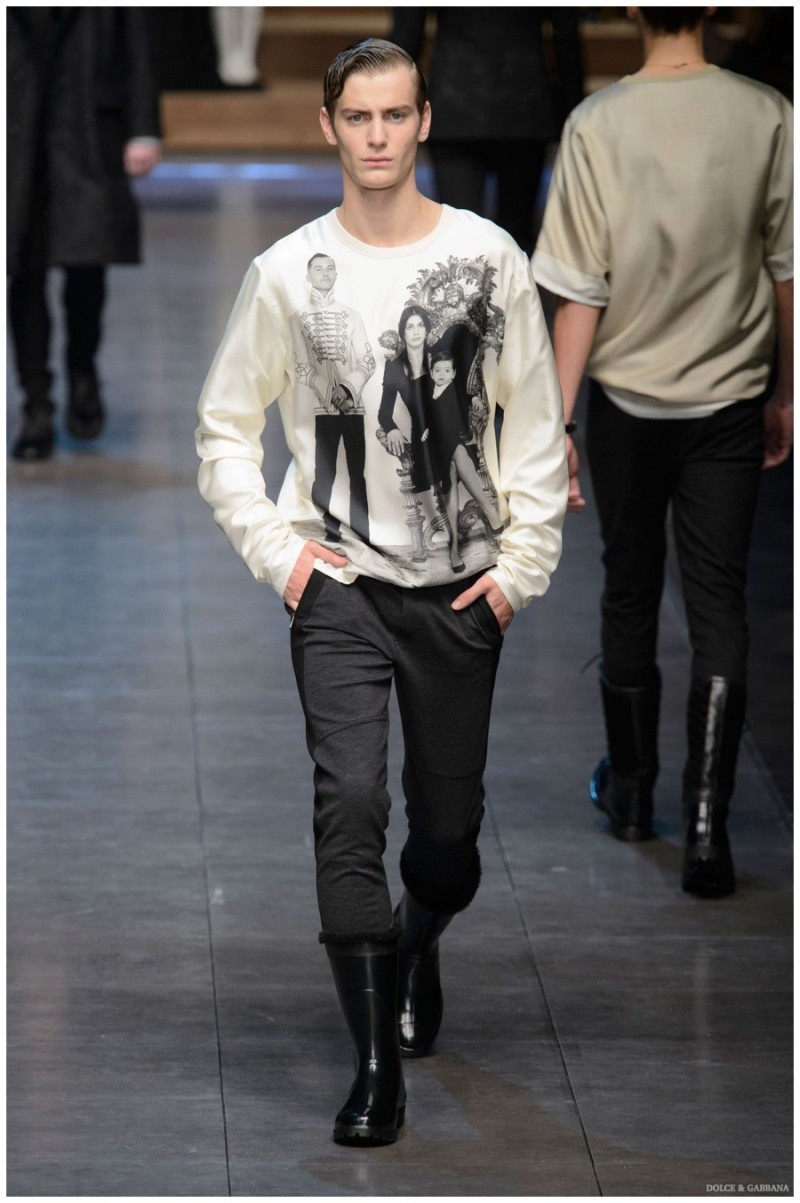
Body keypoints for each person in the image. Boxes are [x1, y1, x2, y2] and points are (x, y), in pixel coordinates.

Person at [196, 39, 567, 1145]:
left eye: (393, 115)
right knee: (349, 801)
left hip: (460, 594)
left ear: (424, 121)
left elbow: (535, 424)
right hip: (341, 588)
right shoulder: (284, 272)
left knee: (446, 841)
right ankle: (373, 1069)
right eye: (356, 116)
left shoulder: (488, 257)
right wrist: (282, 558)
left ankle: (415, 940)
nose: (374, 135)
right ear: (328, 126)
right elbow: (223, 430)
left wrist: (517, 575)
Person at [531, 7, 793, 898]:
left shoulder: (596, 123)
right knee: (718, 597)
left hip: (628, 403)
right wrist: (788, 390)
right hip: (730, 397)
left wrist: (560, 424)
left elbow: (579, 289)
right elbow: (788, 269)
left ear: (632, 8)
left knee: (631, 584)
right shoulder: (768, 115)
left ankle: (635, 793)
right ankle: (709, 824)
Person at [7, 8, 161, 462]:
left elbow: (137, 46)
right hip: (17, 128)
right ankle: (36, 405)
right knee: (24, 271)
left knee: (87, 263)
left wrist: (144, 129)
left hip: (89, 126)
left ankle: (82, 374)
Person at [390, 8, 584, 254]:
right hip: (523, 99)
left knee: (458, 238)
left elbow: (408, 32)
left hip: (456, 97)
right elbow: (566, 34)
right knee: (514, 242)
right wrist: (575, 113)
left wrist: (391, 107)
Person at [290, 253, 375, 543]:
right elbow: (301, 366)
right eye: (318, 269)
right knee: (325, 474)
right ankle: (327, 534)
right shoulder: (297, 318)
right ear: (308, 276)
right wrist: (330, 392)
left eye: (329, 269)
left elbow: (367, 360)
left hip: (353, 406)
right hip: (321, 408)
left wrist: (348, 388)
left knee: (357, 473)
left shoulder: (352, 316)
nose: (325, 273)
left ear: (336, 275)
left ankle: (363, 534)